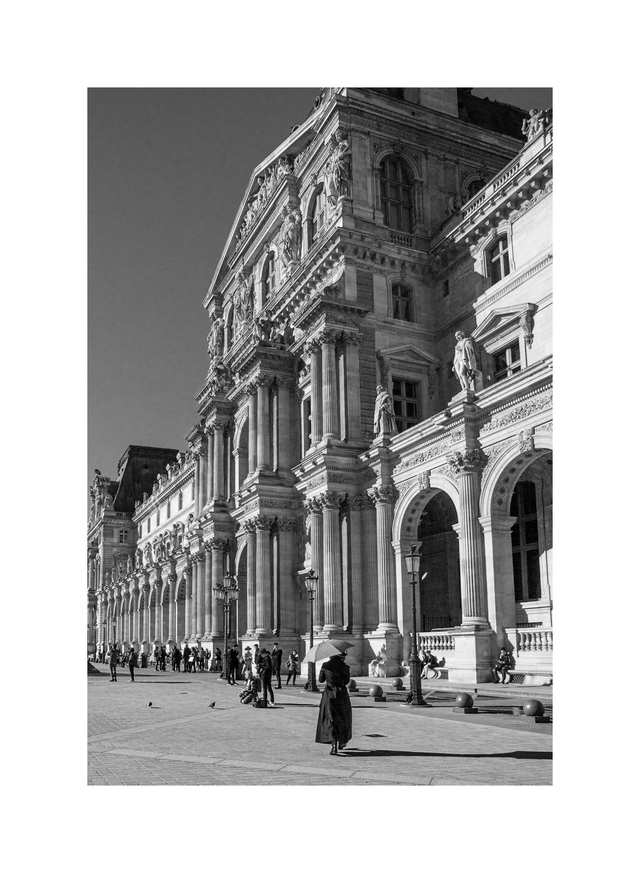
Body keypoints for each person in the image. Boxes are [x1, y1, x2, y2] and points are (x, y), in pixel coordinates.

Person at [315, 652, 352, 755]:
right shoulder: (345, 667)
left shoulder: (325, 665)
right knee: (342, 717)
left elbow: (321, 680)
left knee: (330, 718)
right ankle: (342, 741)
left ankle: (333, 744)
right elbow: (346, 681)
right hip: (341, 694)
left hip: (329, 694)